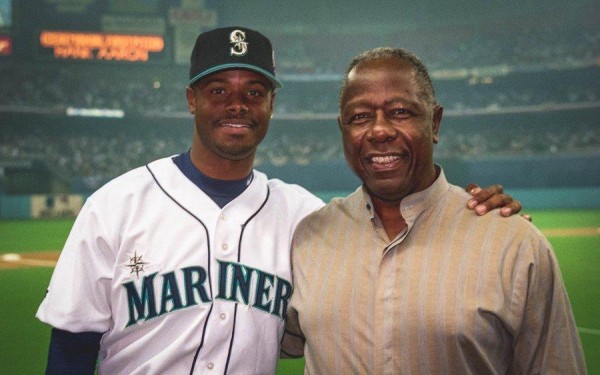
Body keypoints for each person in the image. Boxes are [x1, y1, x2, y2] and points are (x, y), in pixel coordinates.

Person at [36, 27, 524, 374]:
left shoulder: (307, 217)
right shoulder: (115, 204)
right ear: (191, 99)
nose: (237, 104)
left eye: (254, 90)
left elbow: (391, 245)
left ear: (271, 103)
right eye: (217, 89)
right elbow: (72, 346)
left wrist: (473, 211)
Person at [282, 47, 586, 374]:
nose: (379, 130)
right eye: (360, 117)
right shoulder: (308, 238)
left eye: (400, 112)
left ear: (435, 122)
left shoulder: (513, 243)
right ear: (343, 130)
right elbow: (251, 334)